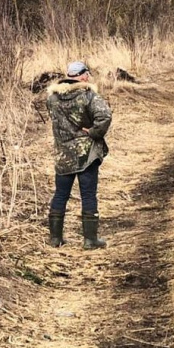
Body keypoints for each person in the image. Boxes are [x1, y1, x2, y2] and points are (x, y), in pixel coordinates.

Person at [46, 61, 112, 250]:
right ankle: (90, 240)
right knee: (88, 195)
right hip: (86, 154)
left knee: (60, 195)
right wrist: (93, 132)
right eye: (87, 74)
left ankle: (55, 239)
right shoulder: (89, 96)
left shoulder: (52, 98)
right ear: (82, 76)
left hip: (63, 154)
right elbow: (105, 116)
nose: (88, 77)